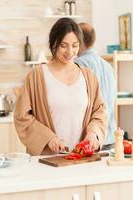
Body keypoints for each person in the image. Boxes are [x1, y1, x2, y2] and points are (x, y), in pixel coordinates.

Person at [14, 18, 108, 155]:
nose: (70, 52)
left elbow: (100, 112)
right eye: (64, 45)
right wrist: (48, 138)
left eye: (75, 45)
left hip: (81, 159)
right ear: (54, 44)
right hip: (47, 161)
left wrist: (93, 132)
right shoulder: (36, 76)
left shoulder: (89, 76)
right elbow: (21, 116)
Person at [76, 23, 117, 148]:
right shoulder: (108, 66)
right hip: (110, 137)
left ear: (79, 41)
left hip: (90, 141)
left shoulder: (78, 64)